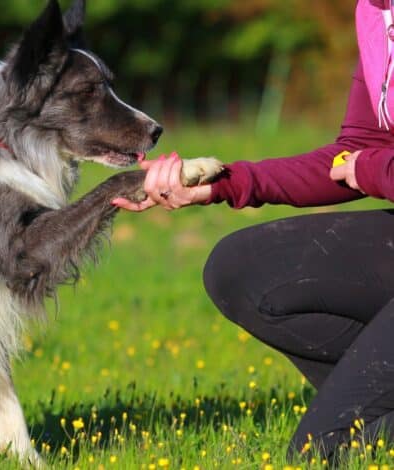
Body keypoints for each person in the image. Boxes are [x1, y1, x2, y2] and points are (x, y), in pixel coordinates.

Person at [113, 0, 394, 459]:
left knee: (323, 447)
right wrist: (225, 182)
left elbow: (369, 163)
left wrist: (375, 168)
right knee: (240, 268)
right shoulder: (376, 12)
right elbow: (356, 154)